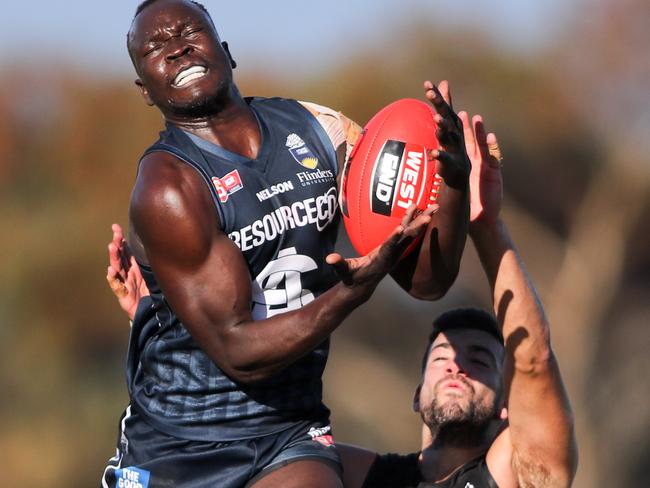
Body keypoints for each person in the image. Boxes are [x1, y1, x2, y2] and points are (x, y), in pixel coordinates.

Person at [103, 0, 473, 486]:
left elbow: (427, 282)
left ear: (226, 51)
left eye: (189, 31)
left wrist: (454, 183)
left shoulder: (321, 131)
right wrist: (351, 293)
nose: (176, 48)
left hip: (287, 429)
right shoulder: (168, 185)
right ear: (144, 89)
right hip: (179, 442)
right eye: (155, 47)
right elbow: (239, 353)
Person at [109, 110, 578, 487]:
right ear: (416, 396)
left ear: (507, 404)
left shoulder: (519, 472)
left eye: (479, 360)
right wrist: (163, 322)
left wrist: (485, 225)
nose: (456, 365)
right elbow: (242, 434)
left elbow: (532, 358)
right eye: (442, 358)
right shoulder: (362, 476)